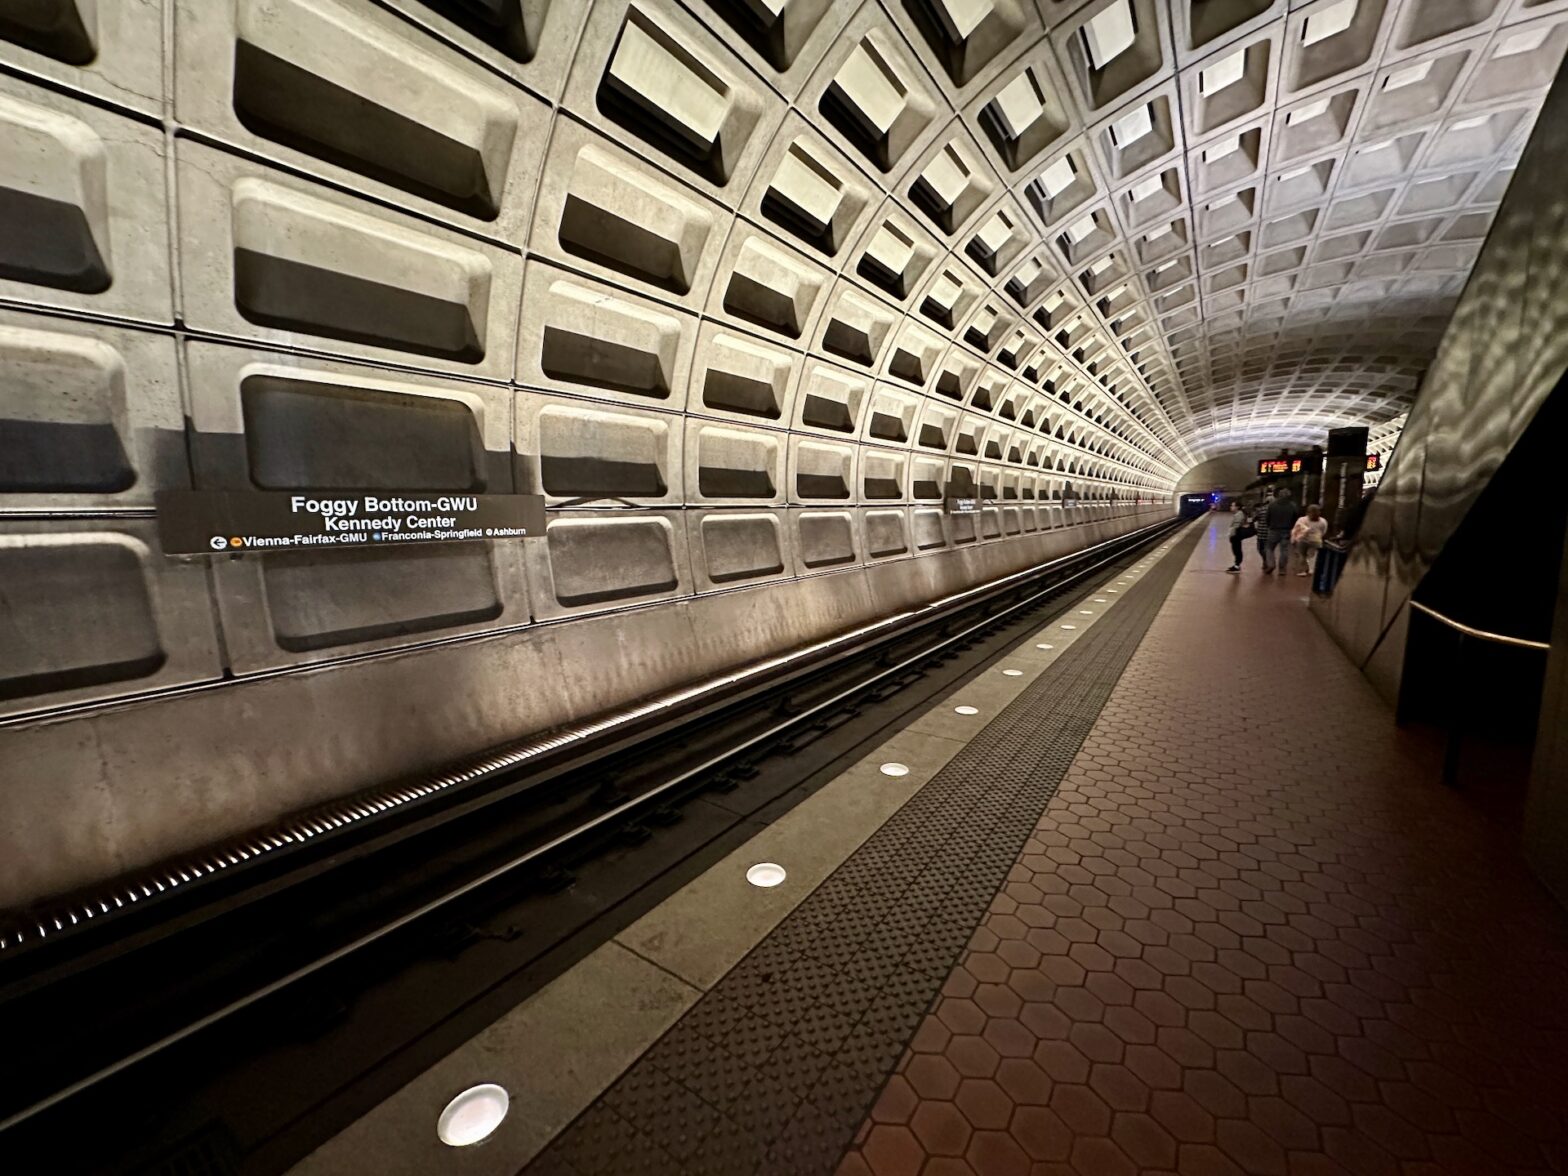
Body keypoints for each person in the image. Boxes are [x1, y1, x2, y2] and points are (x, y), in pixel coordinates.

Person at [1262, 485, 1297, 576]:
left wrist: (1270, 525)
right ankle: (1282, 569)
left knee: (1269, 548)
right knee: (1284, 550)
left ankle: (1271, 564)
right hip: (1286, 530)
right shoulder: (1292, 506)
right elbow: (1295, 518)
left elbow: (1267, 518)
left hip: (1273, 530)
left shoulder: (1272, 505)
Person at [1290, 503, 1328, 577]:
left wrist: (1293, 538)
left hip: (1303, 540)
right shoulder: (1323, 521)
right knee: (1312, 555)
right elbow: (1324, 530)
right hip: (1316, 540)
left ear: (1307, 512)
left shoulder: (1302, 519)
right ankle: (1311, 569)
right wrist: (1320, 536)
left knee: (1302, 555)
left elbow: (1296, 529)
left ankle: (1303, 571)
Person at [1226, 501, 1253, 573]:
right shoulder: (1239, 514)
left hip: (1236, 535)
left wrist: (1231, 534)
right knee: (1236, 550)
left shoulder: (1239, 514)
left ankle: (1237, 566)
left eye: (1232, 505)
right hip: (1236, 535)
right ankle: (1236, 565)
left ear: (1237, 507)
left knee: (1237, 550)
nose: (1231, 507)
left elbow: (1236, 526)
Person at [1251, 492, 1272, 566]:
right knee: (1268, 548)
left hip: (1261, 532)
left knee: (1260, 548)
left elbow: (1254, 519)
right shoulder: (1275, 509)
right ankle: (1268, 561)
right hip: (1271, 533)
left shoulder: (1261, 510)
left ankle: (1265, 560)